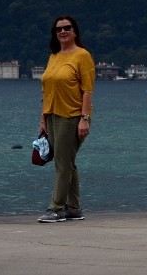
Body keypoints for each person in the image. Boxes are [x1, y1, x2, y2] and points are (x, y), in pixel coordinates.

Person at [37, 16, 95, 222]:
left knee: (63, 163)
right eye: (58, 29)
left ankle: (56, 208)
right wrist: (42, 118)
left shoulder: (82, 56)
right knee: (66, 161)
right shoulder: (54, 56)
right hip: (52, 114)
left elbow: (87, 90)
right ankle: (74, 207)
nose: (62, 31)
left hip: (72, 116)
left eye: (67, 28)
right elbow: (46, 89)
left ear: (75, 31)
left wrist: (84, 119)